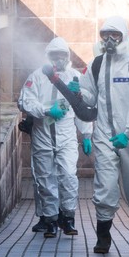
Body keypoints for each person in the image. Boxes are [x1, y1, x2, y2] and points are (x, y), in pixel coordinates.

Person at [74, 16, 129, 252]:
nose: (109, 40)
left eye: (115, 35)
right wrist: (78, 92)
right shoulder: (97, 64)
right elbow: (91, 96)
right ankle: (103, 238)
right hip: (105, 135)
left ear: (124, 36)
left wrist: (128, 132)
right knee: (105, 186)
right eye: (105, 35)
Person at [18, 37, 93, 238]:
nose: (58, 60)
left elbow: (81, 108)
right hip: (42, 134)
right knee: (45, 179)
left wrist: (86, 134)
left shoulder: (74, 77)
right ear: (48, 57)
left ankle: (67, 217)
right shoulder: (37, 76)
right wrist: (45, 110)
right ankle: (50, 219)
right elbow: (24, 101)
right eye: (55, 56)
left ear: (67, 57)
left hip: (66, 135)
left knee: (68, 176)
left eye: (62, 56)